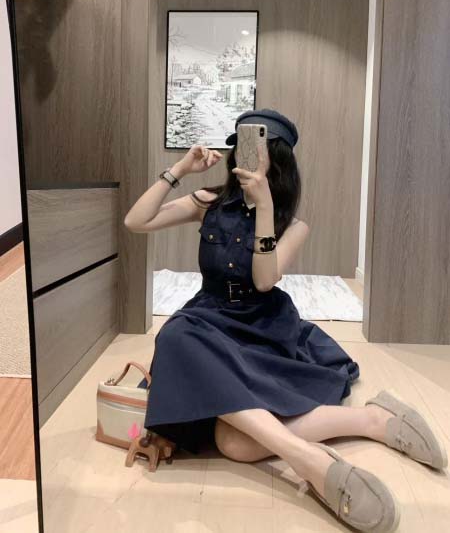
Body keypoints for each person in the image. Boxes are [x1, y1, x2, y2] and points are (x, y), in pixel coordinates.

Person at [125, 109, 447, 532]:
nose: (246, 157)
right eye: (241, 146)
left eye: (258, 149)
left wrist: (263, 206)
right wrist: (181, 169)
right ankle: (316, 455)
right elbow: (136, 221)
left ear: (277, 161)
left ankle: (375, 421)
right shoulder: (208, 203)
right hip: (208, 319)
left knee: (234, 443)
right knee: (176, 335)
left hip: (261, 327)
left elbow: (263, 281)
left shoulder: (293, 225)